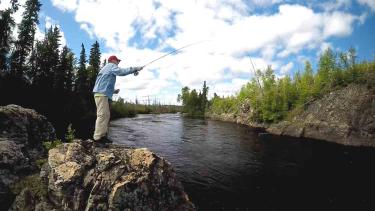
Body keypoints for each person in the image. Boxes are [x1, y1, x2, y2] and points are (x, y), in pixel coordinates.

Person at [93, 55, 143, 143]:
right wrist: (135, 69)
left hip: (102, 94)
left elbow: (102, 83)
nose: (118, 63)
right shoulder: (111, 66)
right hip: (102, 95)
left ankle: (103, 136)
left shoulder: (105, 68)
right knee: (102, 115)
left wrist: (113, 91)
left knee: (106, 115)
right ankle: (97, 138)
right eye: (117, 61)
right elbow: (121, 72)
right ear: (112, 60)